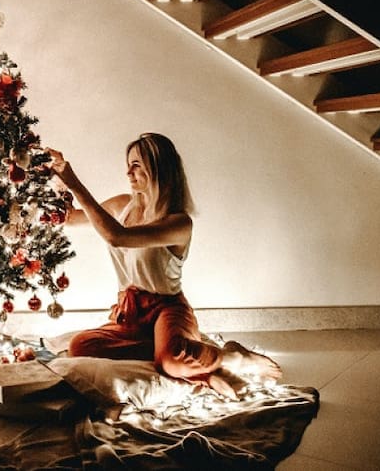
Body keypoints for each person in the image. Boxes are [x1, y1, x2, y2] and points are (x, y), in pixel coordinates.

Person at [46, 133, 282, 400]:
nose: (128, 171)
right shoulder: (122, 204)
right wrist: (56, 176)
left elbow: (117, 236)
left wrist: (74, 182)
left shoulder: (178, 223)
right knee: (80, 346)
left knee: (170, 362)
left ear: (157, 168)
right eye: (128, 163)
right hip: (131, 311)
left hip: (167, 309)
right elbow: (68, 219)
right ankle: (187, 356)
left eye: (136, 164)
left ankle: (229, 356)